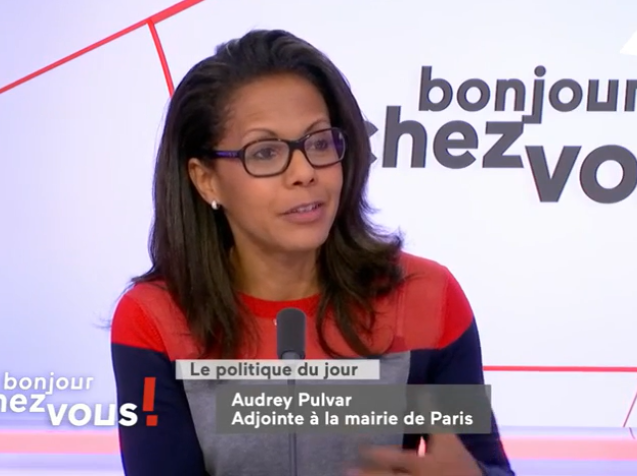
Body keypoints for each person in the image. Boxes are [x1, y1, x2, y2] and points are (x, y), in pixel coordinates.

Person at [110, 29, 515, 476]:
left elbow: (484, 464)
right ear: (206, 180)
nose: (305, 172)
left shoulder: (425, 297)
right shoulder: (154, 318)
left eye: (320, 143)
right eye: (265, 152)